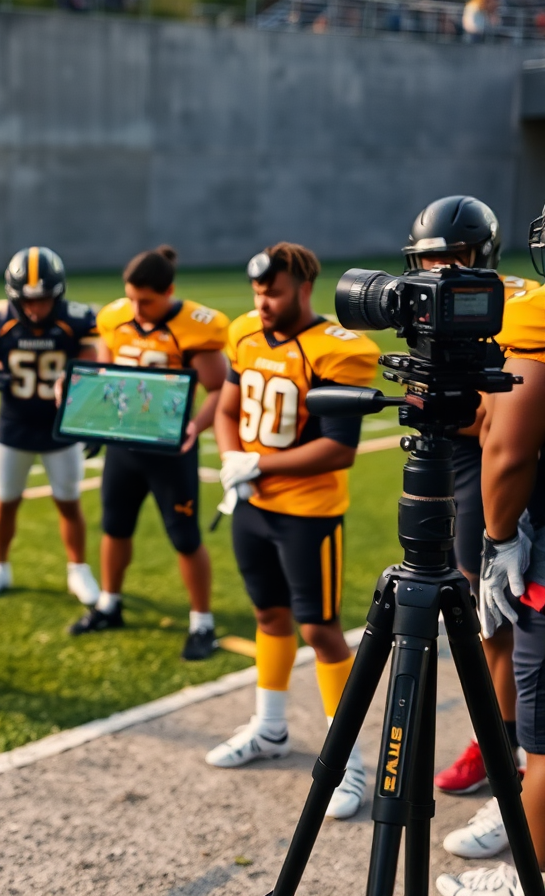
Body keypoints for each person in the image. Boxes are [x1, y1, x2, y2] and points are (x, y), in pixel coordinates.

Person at [206, 242, 379, 822]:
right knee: (268, 617)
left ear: (304, 289)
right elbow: (228, 410)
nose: (263, 302)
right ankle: (271, 728)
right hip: (253, 504)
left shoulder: (336, 349)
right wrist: (235, 461)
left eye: (273, 292)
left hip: (308, 512)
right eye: (257, 291)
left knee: (321, 629)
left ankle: (351, 760)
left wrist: (261, 465)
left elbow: (338, 448)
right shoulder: (246, 334)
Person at [404, 197, 540, 815]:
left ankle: (507, 744)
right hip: (458, 461)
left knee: (500, 606)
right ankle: (501, 737)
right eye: (429, 259)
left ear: (480, 256)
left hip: (489, 463)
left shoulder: (519, 308)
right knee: (481, 605)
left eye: (451, 258)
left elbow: (500, 426)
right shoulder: (420, 298)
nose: (438, 272)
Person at [435, 207, 545, 896]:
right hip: (485, 485)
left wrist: (502, 533)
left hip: (517, 516)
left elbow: (503, 442)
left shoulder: (526, 314)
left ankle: (529, 873)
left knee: (543, 729)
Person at [71, 245, 228, 663]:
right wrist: (95, 419)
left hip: (169, 450)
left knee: (184, 536)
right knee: (115, 527)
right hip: (125, 447)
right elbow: (107, 374)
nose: (137, 308)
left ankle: (202, 621)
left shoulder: (195, 326)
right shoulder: (115, 317)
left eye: (147, 301)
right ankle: (109, 603)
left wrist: (197, 425)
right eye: (132, 298)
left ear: (169, 290)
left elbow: (220, 387)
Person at [0, 246, 103, 605]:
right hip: (13, 428)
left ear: (58, 293)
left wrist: (90, 421)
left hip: (60, 430)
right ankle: (0, 565)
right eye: (27, 300)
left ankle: (78, 568)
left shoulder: (76, 319)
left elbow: (94, 370)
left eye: (43, 299)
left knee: (69, 502)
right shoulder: (0, 319)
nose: (34, 308)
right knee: (6, 501)